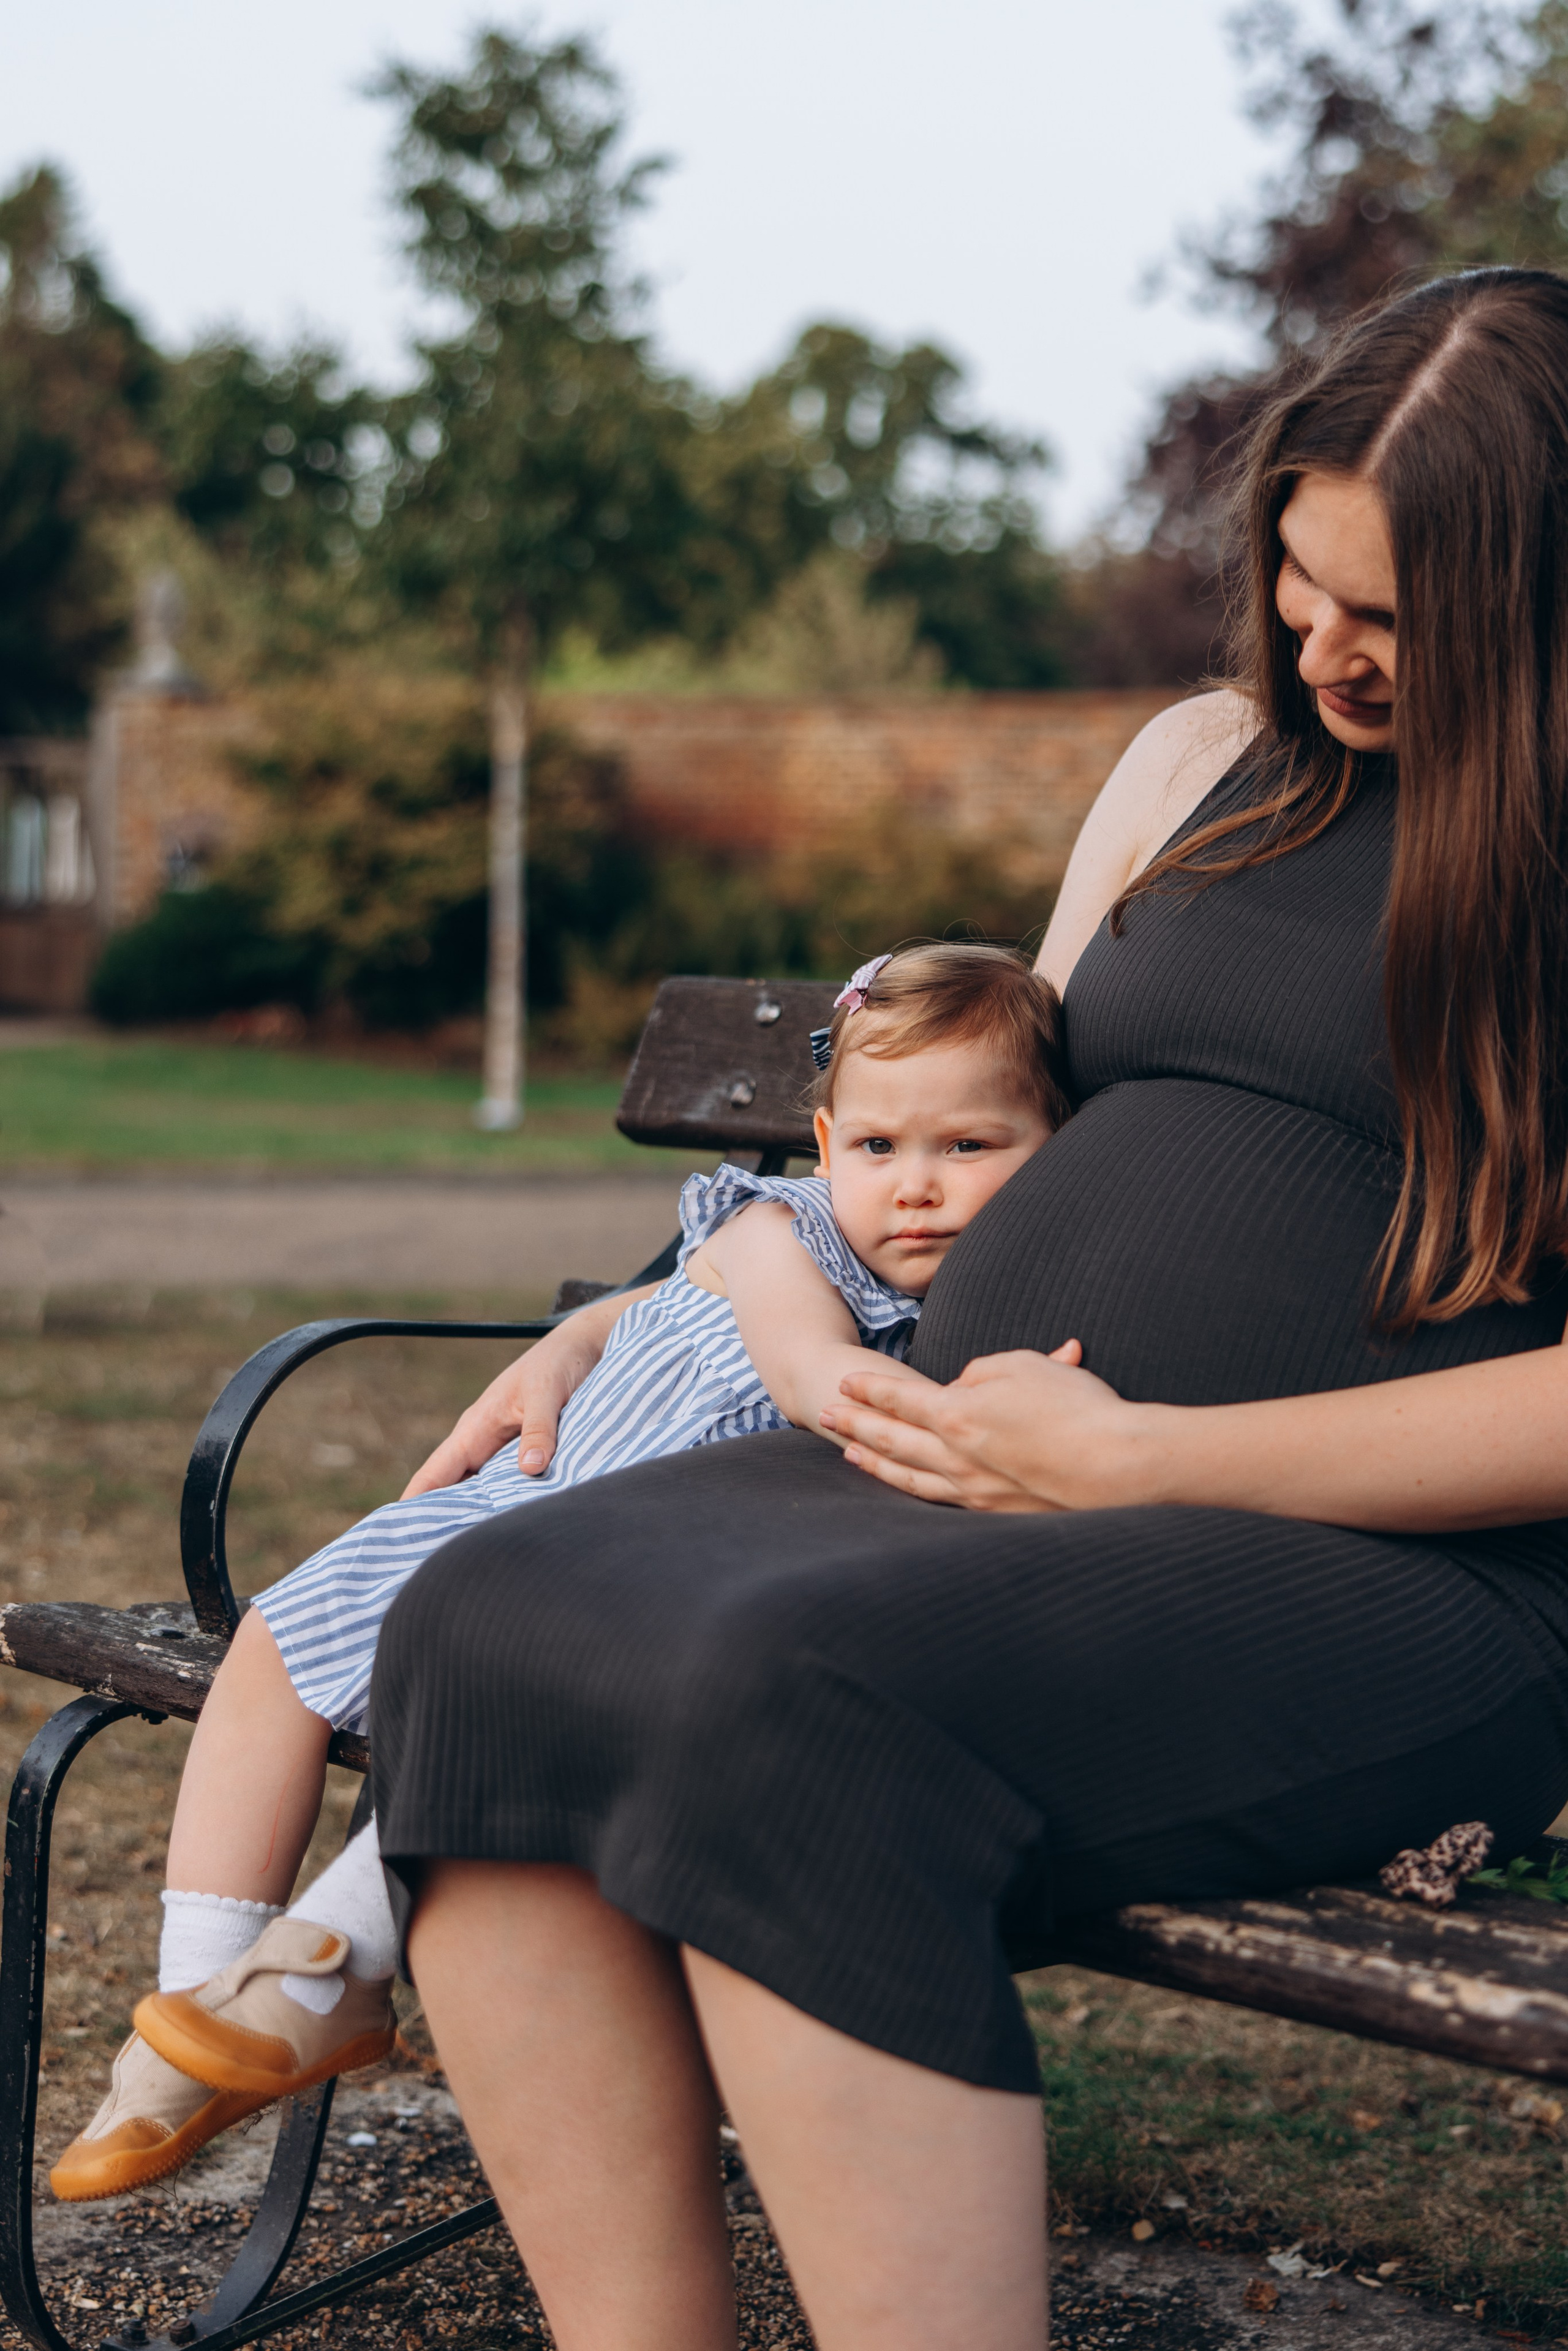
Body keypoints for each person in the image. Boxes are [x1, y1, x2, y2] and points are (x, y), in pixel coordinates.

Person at [361, 267, 1568, 2351]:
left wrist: (1152, 1458)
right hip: (966, 1457)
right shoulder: (1208, 758)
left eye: (1390, 610)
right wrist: (653, 1303)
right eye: (1297, 579)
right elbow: (994, 1105)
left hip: (1402, 1576)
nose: (1320, 646)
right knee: (483, 1619)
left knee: (800, 1707)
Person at [51, 943, 1070, 2202]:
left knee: (500, 1704)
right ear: (822, 1146)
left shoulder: (994, 1286)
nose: (915, 1185)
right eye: (877, 1146)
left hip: (633, 1577)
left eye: (967, 1146)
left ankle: (309, 1984)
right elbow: (814, 1376)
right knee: (280, 1644)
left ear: (1055, 1147)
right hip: (528, 1507)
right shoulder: (781, 1230)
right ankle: (194, 2011)